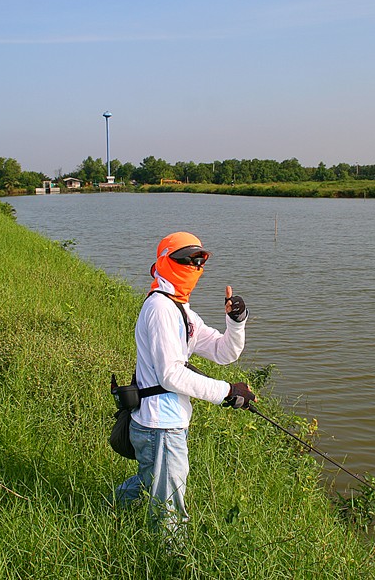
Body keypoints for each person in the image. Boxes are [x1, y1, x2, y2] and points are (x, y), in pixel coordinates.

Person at [115, 231, 256, 546]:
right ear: (164, 262)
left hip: (164, 423)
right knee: (170, 508)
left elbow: (224, 352)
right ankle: (171, 559)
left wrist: (236, 322)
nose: (195, 266)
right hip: (160, 425)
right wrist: (227, 392)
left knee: (151, 480)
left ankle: (110, 508)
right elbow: (170, 376)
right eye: (187, 259)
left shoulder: (182, 311)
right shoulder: (160, 309)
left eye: (200, 260)